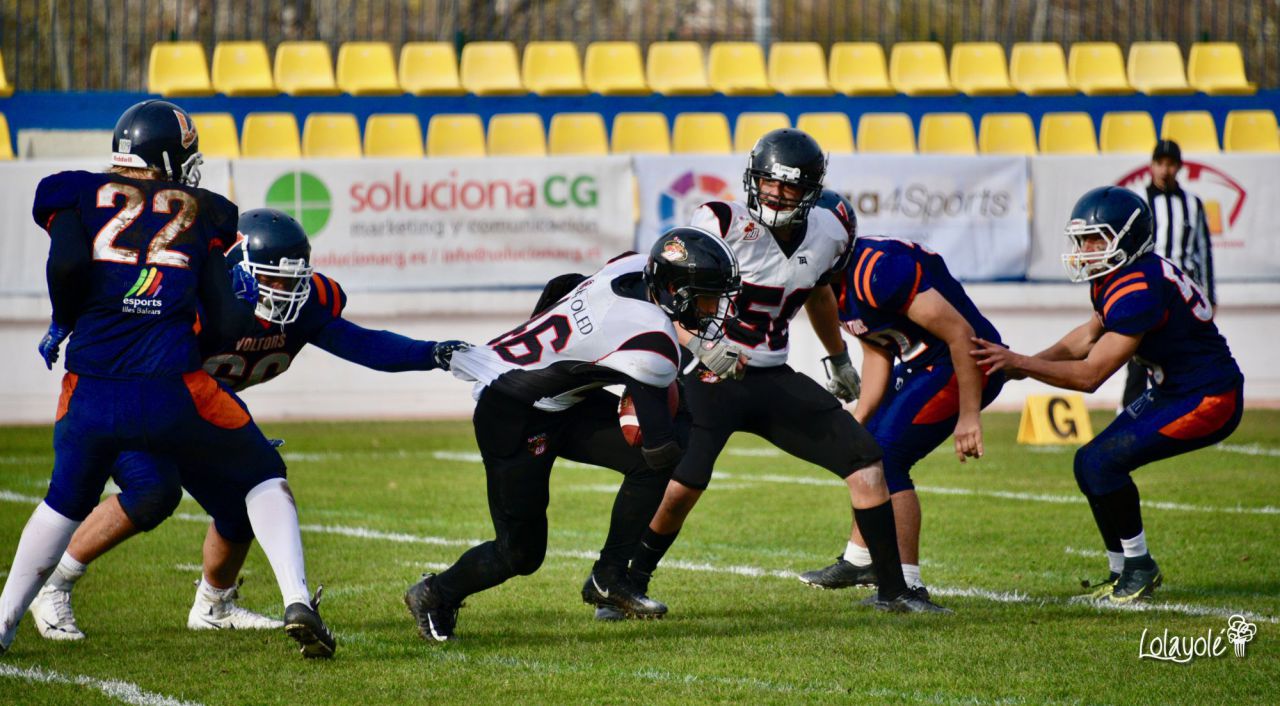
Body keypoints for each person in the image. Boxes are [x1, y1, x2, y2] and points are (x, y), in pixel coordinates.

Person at [28, 208, 465, 641]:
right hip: (137, 398)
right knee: (153, 492)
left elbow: (363, 344)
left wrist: (432, 354)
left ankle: (214, 606)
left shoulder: (306, 307)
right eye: (272, 278)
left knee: (241, 501)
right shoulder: (195, 300)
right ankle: (54, 585)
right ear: (238, 271)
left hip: (197, 411)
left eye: (293, 279)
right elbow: (156, 366)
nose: (286, 290)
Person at [0, 100, 335, 658]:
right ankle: (297, 598)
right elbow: (223, 318)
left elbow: (66, 267)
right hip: (171, 386)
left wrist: (64, 319)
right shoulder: (205, 210)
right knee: (261, 471)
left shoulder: (71, 191)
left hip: (91, 384)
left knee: (65, 499)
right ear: (167, 157)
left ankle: (5, 619)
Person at [604, 129, 947, 618]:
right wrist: (703, 343)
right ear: (752, 179)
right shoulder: (720, 221)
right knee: (682, 485)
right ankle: (626, 588)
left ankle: (894, 592)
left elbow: (821, 294)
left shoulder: (832, 229)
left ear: (810, 191)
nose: (776, 194)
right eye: (768, 183)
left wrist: (839, 357)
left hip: (769, 373)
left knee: (866, 461)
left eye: (789, 187)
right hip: (710, 377)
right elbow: (666, 294)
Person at [402, 227, 741, 641]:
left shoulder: (631, 266)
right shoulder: (653, 341)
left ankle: (609, 578)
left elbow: (561, 287)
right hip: (512, 412)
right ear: (674, 289)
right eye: (707, 297)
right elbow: (660, 448)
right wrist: (698, 373)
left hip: (558, 401)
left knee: (645, 462)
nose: (713, 309)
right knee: (520, 553)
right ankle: (434, 594)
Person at [971, 186, 1243, 603]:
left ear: (1127, 238)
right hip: (1176, 389)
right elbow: (1085, 338)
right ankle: (1122, 573)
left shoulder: (1139, 285)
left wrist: (1021, 363)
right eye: (1082, 239)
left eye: (1097, 239)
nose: (1086, 249)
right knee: (1089, 463)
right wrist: (1021, 366)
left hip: (1209, 397)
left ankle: (1140, 567)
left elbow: (1090, 375)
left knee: (1102, 462)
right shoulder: (1120, 277)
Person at [798, 190, 1005, 599]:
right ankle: (861, 560)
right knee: (865, 445)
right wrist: (860, 416)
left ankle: (907, 583)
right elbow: (879, 349)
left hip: (962, 360)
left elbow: (961, 334)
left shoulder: (879, 271)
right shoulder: (833, 284)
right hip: (922, 363)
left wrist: (969, 416)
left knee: (889, 457)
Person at [1121, 139, 1216, 408]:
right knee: (1138, 357)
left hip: (1182, 296)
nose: (1165, 170)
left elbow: (1203, 252)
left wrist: (1210, 295)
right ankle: (1127, 413)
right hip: (1148, 291)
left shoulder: (1193, 204)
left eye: (1171, 164)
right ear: (1151, 166)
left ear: (1179, 167)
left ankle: (1193, 410)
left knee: (1186, 354)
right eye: (1160, 163)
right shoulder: (1138, 200)